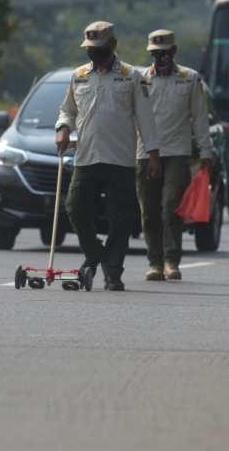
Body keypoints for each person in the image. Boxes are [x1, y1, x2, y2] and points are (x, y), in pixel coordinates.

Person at [55, 21, 161, 291]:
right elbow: (67, 110)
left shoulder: (131, 76)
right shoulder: (78, 75)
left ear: (113, 45)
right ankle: (95, 254)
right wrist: (63, 129)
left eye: (99, 48)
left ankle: (112, 271)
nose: (94, 52)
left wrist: (153, 156)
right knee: (75, 209)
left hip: (121, 160)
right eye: (90, 48)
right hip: (86, 158)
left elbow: (145, 119)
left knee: (122, 218)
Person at [137, 29, 213, 281]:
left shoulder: (190, 79)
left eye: (164, 53)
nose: (159, 58)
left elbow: (200, 118)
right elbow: (129, 119)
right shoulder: (140, 80)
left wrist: (206, 151)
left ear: (174, 52)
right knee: (149, 211)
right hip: (146, 152)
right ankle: (155, 263)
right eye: (154, 54)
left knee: (171, 207)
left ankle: (171, 261)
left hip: (178, 153)